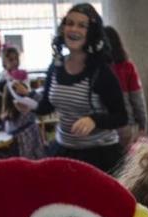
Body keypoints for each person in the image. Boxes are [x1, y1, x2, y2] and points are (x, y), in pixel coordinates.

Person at [16, 3, 128, 174]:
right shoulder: (55, 66)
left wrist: (94, 120)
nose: (73, 29)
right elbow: (47, 105)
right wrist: (28, 105)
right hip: (64, 150)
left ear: (91, 33)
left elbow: (121, 117)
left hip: (99, 155)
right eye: (69, 23)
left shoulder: (101, 71)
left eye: (82, 25)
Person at [105, 26, 147, 150]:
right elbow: (137, 99)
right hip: (125, 124)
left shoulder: (94, 68)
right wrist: (143, 125)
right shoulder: (127, 66)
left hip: (101, 128)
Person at [2, 82, 46, 159]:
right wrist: (29, 93)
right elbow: (42, 101)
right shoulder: (23, 108)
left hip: (20, 148)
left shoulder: (8, 113)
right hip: (28, 146)